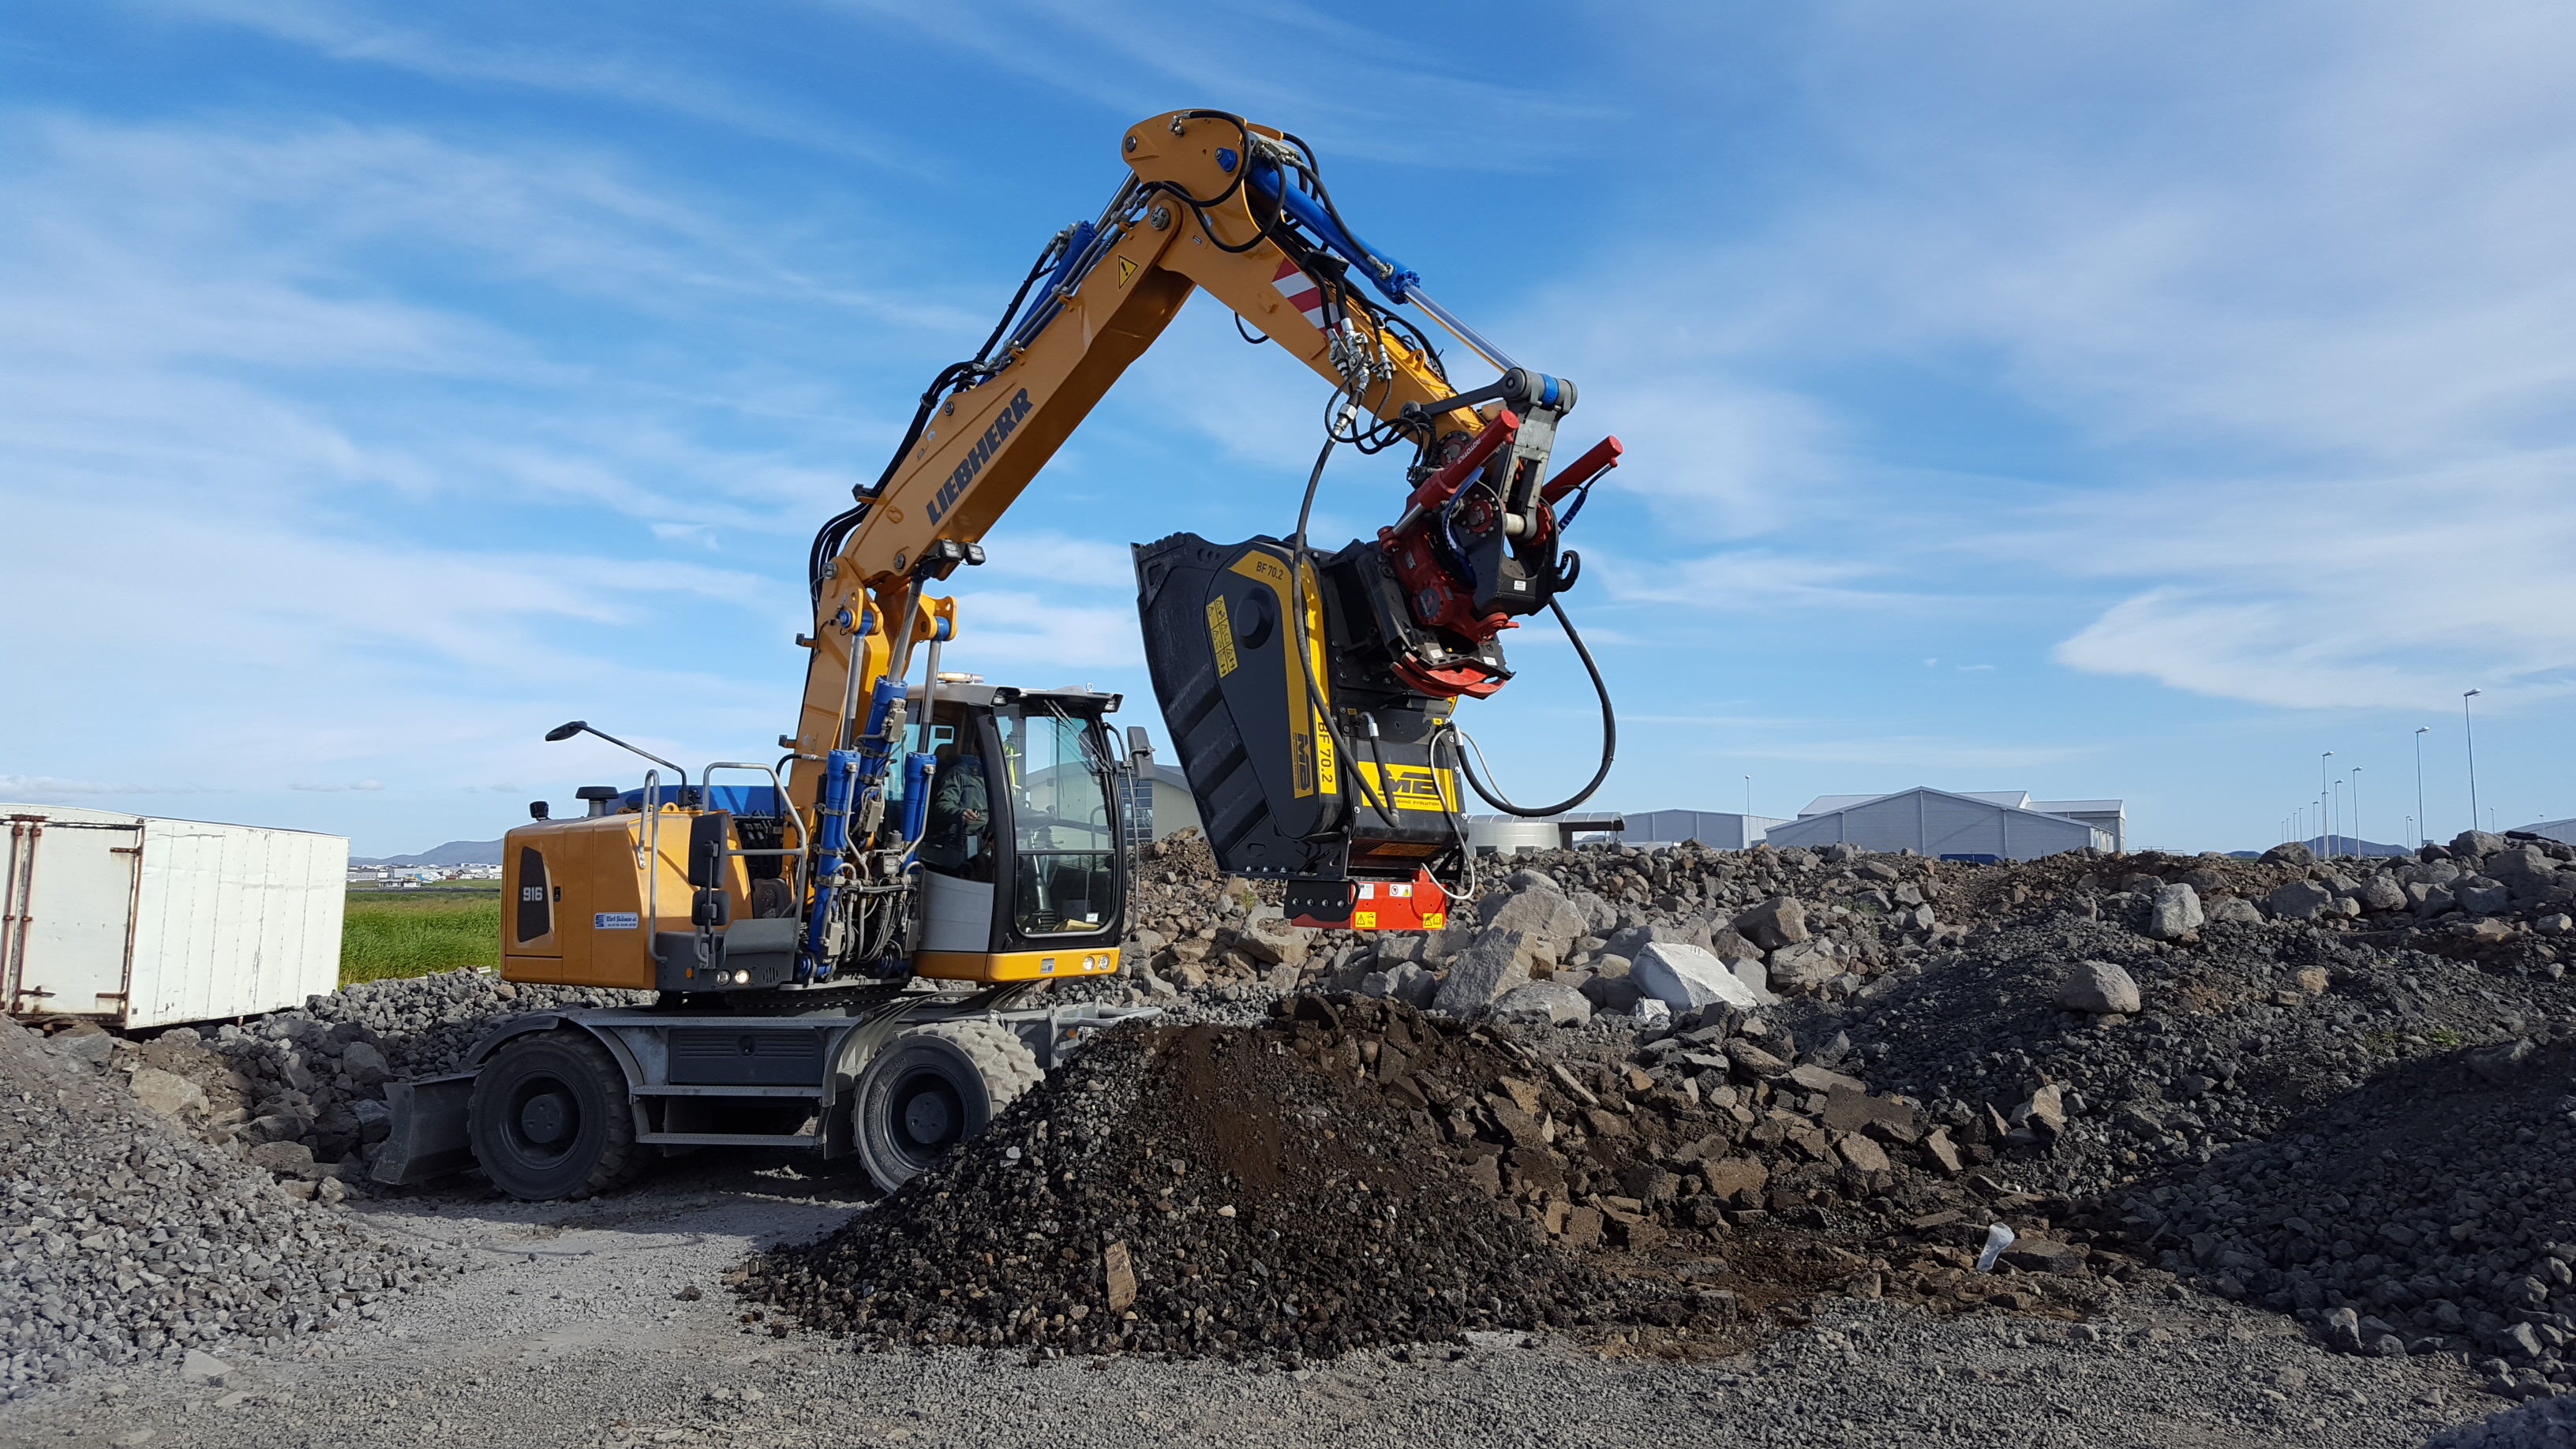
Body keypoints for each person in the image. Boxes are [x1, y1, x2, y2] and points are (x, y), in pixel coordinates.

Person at [920, 743, 993, 880]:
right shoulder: (960, 773)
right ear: (976, 749)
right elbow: (943, 805)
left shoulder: (995, 777)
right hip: (966, 839)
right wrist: (961, 813)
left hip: (990, 839)